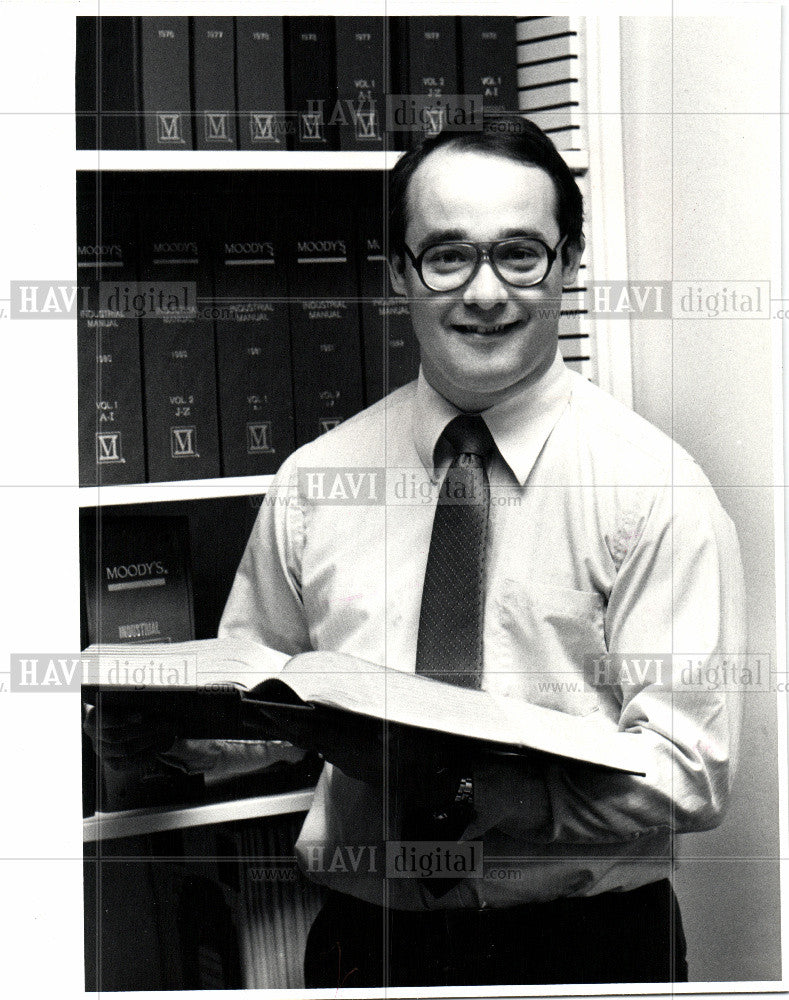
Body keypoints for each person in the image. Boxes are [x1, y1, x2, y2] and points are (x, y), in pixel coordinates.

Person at [89, 114, 746, 987]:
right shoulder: (315, 480)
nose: (483, 292)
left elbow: (688, 771)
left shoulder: (654, 488)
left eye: (520, 253)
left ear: (571, 264)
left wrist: (481, 795)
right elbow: (273, 704)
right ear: (398, 272)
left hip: (583, 946)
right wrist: (165, 736)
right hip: (366, 949)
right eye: (446, 255)